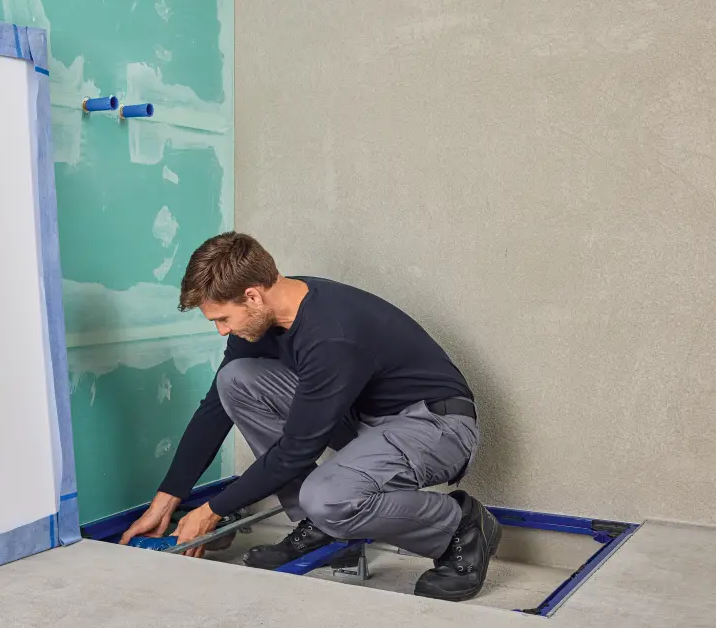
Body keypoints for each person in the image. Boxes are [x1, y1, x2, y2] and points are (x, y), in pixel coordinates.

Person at [119, 232, 501, 602]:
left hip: (435, 427)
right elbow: (215, 409)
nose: (222, 331)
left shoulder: (331, 334)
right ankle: (323, 530)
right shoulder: (265, 317)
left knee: (328, 497)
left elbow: (295, 451)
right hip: (364, 420)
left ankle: (461, 524)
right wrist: (166, 500)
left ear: (252, 296)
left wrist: (211, 511)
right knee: (234, 380)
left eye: (222, 319)